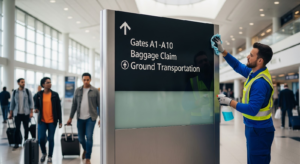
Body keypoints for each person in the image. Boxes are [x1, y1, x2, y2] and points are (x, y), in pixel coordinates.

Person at [213, 36, 275, 164]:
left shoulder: (259, 83)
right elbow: (237, 65)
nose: (248, 56)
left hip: (260, 131)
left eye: (251, 55)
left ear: (260, 61)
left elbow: (252, 109)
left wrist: (229, 102)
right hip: (254, 128)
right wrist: (223, 51)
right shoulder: (253, 74)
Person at [67, 73, 100, 164]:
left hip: (91, 117)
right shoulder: (77, 90)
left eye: (87, 80)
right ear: (82, 80)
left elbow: (99, 105)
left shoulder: (95, 91)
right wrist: (70, 117)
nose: (86, 81)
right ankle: (85, 149)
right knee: (81, 138)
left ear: (90, 80)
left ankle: (88, 157)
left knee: (89, 136)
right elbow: (74, 104)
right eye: (84, 80)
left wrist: (100, 118)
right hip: (80, 118)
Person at [34, 77, 62, 163]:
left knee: (51, 138)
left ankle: (50, 156)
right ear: (43, 84)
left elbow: (58, 108)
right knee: (41, 138)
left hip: (52, 121)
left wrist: (60, 121)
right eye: (47, 82)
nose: (50, 84)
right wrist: (36, 109)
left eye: (50, 82)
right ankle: (43, 153)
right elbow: (36, 105)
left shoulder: (55, 95)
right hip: (42, 121)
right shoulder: (38, 95)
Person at [8, 78, 34, 150]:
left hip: (26, 114)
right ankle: (16, 143)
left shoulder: (28, 92)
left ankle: (25, 142)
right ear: (18, 83)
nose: (23, 83)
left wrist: (31, 112)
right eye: (22, 82)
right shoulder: (14, 92)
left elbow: (31, 102)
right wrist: (11, 114)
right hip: (17, 114)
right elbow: (12, 104)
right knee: (17, 129)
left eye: (24, 82)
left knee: (26, 128)